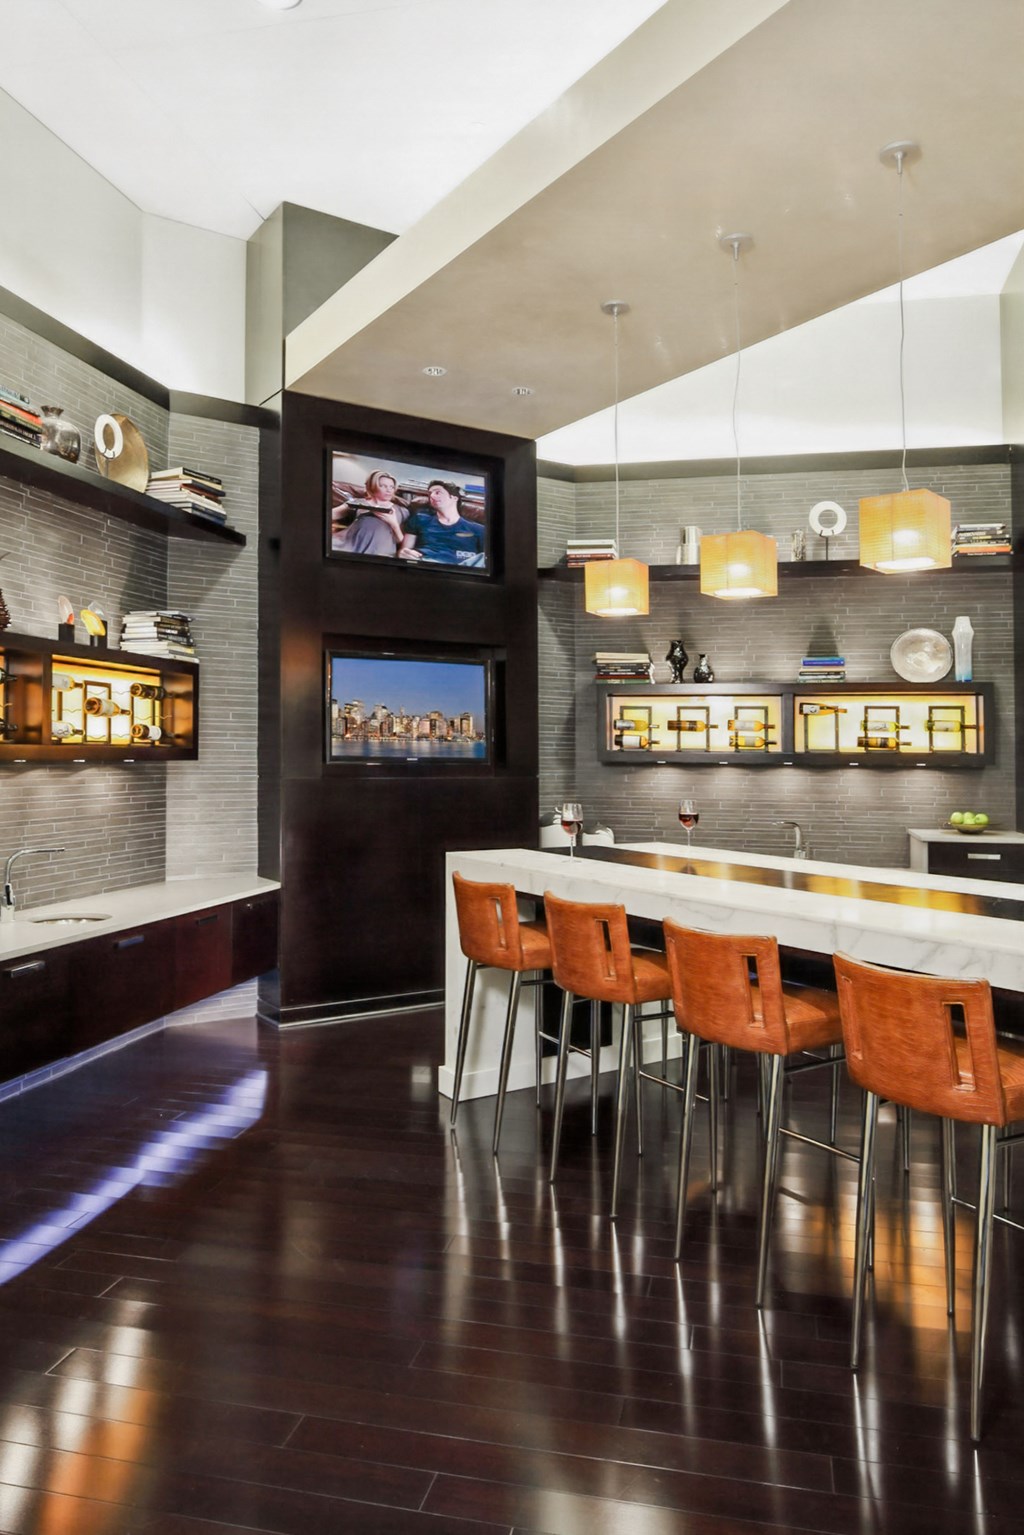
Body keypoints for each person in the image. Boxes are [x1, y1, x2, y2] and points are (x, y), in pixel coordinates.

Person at [398, 481, 485, 566]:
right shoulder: (420, 518)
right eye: (430, 494)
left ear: (454, 498)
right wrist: (404, 553)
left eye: (438, 492)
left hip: (462, 568)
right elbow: (405, 550)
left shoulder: (479, 529)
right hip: (427, 562)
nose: (432, 496)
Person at [336, 470, 407, 556]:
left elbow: (402, 542)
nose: (389, 490)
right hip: (351, 548)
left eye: (391, 487)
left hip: (381, 554)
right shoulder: (357, 503)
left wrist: (394, 524)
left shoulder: (401, 510)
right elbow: (330, 514)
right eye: (383, 486)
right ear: (373, 487)